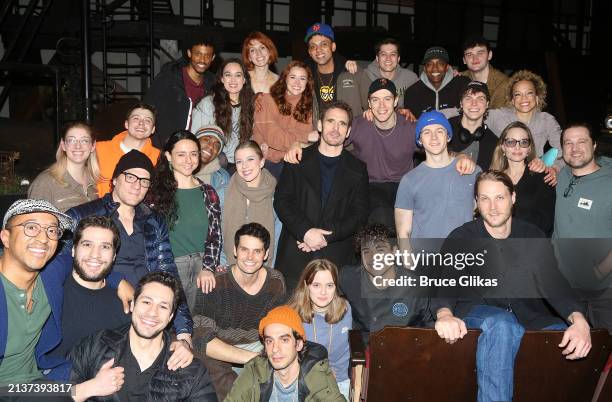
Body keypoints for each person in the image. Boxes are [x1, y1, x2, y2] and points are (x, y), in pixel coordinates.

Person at [432, 170, 592, 402]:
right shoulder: (461, 237)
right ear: (476, 203)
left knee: (562, 334)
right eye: (484, 198)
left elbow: (553, 282)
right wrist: (444, 314)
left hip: (527, 315)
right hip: (477, 312)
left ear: (513, 198)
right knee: (503, 324)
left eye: (500, 197)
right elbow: (445, 282)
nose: (493, 206)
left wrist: (578, 319)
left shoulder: (533, 236)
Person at [65, 150, 195, 350]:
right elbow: (62, 263)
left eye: (144, 181)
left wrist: (184, 332)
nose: (137, 185)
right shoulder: (83, 215)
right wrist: (115, 282)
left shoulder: (153, 220)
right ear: (115, 179)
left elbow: (167, 272)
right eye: (131, 177)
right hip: (103, 309)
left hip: (148, 312)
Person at [0, 199, 130, 387]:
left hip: (38, 380)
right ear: (5, 237)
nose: (43, 238)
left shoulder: (49, 273)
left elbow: (87, 262)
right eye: (31, 227)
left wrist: (117, 280)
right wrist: (82, 391)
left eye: (51, 230)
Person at [69, 271, 218, 401]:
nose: (152, 312)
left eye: (163, 306)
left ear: (171, 316)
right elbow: (49, 391)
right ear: (133, 304)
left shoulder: (189, 369)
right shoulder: (95, 345)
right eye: (146, 302)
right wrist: (89, 388)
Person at [274, 101, 369, 291]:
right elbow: (282, 201)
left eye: (342, 124)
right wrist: (306, 232)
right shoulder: (297, 159)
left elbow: (359, 215)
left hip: (336, 258)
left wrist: (323, 237)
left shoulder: (358, 169)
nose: (335, 128)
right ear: (319, 125)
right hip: (296, 252)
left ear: (348, 131)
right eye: (330, 121)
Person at [191, 223, 286, 400]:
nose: (250, 257)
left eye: (257, 251)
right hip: (220, 348)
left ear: (265, 254)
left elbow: (279, 329)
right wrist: (254, 359)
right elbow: (202, 339)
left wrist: (270, 356)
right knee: (203, 361)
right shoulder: (214, 283)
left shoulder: (275, 281)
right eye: (244, 249)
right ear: (235, 250)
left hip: (258, 344)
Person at [147, 130, 221, 310]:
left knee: (199, 322)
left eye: (193, 154)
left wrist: (208, 267)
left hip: (202, 267)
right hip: (170, 265)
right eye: (181, 154)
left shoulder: (208, 191)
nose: (189, 160)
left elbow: (215, 235)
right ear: (168, 156)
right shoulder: (154, 193)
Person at [553, 123, 612, 332]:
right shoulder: (561, 176)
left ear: (595, 145)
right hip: (566, 289)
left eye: (582, 142)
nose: (574, 148)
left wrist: (598, 272)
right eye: (568, 143)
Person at [225, 305, 345, 402]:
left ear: (298, 344)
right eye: (269, 341)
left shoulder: (315, 372)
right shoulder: (254, 370)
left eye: (284, 340)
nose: (275, 349)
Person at [50, 216, 130, 360]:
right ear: (73, 250)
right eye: (87, 244)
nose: (95, 254)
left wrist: (175, 344)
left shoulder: (124, 304)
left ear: (114, 256)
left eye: (105, 247)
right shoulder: (51, 290)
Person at [395, 110, 479, 241]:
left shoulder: (471, 171)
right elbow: (403, 234)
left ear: (448, 136)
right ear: (420, 140)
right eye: (427, 132)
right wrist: (408, 262)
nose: (434, 137)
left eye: (439, 131)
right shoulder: (409, 180)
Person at [339, 224, 431, 342]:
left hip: (405, 351)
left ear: (394, 251)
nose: (373, 257)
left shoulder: (416, 287)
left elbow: (430, 329)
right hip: (365, 351)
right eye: (366, 251)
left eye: (380, 250)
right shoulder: (349, 278)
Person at [289, 259, 352, 399]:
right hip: (304, 381)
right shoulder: (292, 314)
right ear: (306, 285)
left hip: (340, 382)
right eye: (316, 285)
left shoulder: (346, 309)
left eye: (329, 285)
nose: (323, 292)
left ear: (336, 286)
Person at [486, 69, 563, 175]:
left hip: (532, 175)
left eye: (529, 93)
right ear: (512, 100)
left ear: (537, 97)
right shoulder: (499, 116)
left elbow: (564, 149)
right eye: (518, 94)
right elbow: (473, 111)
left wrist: (554, 168)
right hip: (503, 176)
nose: (524, 98)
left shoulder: (546, 120)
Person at [144, 38, 216, 148]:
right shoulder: (168, 79)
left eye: (207, 55)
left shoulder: (213, 85)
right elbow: (148, 110)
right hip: (165, 148)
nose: (202, 60)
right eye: (198, 54)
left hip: (195, 150)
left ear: (213, 58)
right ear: (189, 53)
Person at [252, 60, 320, 178]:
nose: (297, 83)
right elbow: (274, 137)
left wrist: (299, 142)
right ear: (285, 78)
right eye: (293, 77)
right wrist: (305, 137)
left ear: (307, 82)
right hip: (266, 161)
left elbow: (303, 142)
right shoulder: (265, 100)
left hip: (292, 158)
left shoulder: (307, 105)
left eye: (302, 78)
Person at [490, 121, 555, 235]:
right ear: (503, 147)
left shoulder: (542, 178)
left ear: (529, 149)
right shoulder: (493, 179)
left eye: (524, 142)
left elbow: (546, 221)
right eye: (511, 142)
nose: (517, 147)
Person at [191, 58, 255, 172]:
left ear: (244, 80)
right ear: (222, 79)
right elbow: (194, 138)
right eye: (228, 75)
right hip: (217, 161)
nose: (233, 80)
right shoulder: (208, 104)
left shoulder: (250, 106)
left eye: (238, 75)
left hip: (241, 161)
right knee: (222, 159)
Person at [222, 141, 277, 267]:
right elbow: (216, 233)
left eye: (250, 159)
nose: (244, 166)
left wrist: (269, 270)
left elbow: (277, 237)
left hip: (263, 268)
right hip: (228, 266)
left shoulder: (275, 194)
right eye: (239, 162)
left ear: (262, 162)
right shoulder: (224, 192)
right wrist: (222, 264)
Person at [28, 122, 99, 212]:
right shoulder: (45, 183)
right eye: (71, 140)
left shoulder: (94, 180)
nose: (78, 146)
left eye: (84, 140)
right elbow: (33, 222)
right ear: (63, 145)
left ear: (93, 146)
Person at [338, 37, 418, 115]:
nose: (388, 59)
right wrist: (347, 64)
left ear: (398, 58)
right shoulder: (365, 76)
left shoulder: (410, 78)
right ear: (377, 58)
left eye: (393, 54)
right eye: (383, 54)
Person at [95, 103, 161, 196]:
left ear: (153, 129)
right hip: (98, 208)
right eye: (136, 118)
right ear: (126, 124)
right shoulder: (98, 149)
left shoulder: (158, 157)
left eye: (147, 120)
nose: (141, 123)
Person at [402, 46, 470, 119]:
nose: (435, 68)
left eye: (440, 63)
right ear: (424, 69)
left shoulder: (462, 85)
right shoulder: (412, 93)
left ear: (447, 67)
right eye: (430, 64)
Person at [304, 22, 357, 110]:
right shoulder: (304, 75)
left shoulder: (349, 71)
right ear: (309, 52)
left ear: (333, 47)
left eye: (324, 44)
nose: (318, 50)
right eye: (313, 46)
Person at [448, 81, 498, 170]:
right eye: (468, 98)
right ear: (461, 103)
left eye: (480, 99)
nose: (474, 104)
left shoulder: (493, 142)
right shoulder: (445, 128)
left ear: (487, 104)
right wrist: (457, 155)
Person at [460, 35, 509, 109]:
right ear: (464, 60)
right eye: (469, 54)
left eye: (480, 53)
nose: (475, 58)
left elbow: (498, 116)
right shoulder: (459, 79)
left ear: (489, 55)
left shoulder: (503, 83)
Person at [194, 124, 231, 207]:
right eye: (206, 139)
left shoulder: (222, 177)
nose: (211, 146)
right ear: (195, 142)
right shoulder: (178, 170)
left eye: (216, 145)